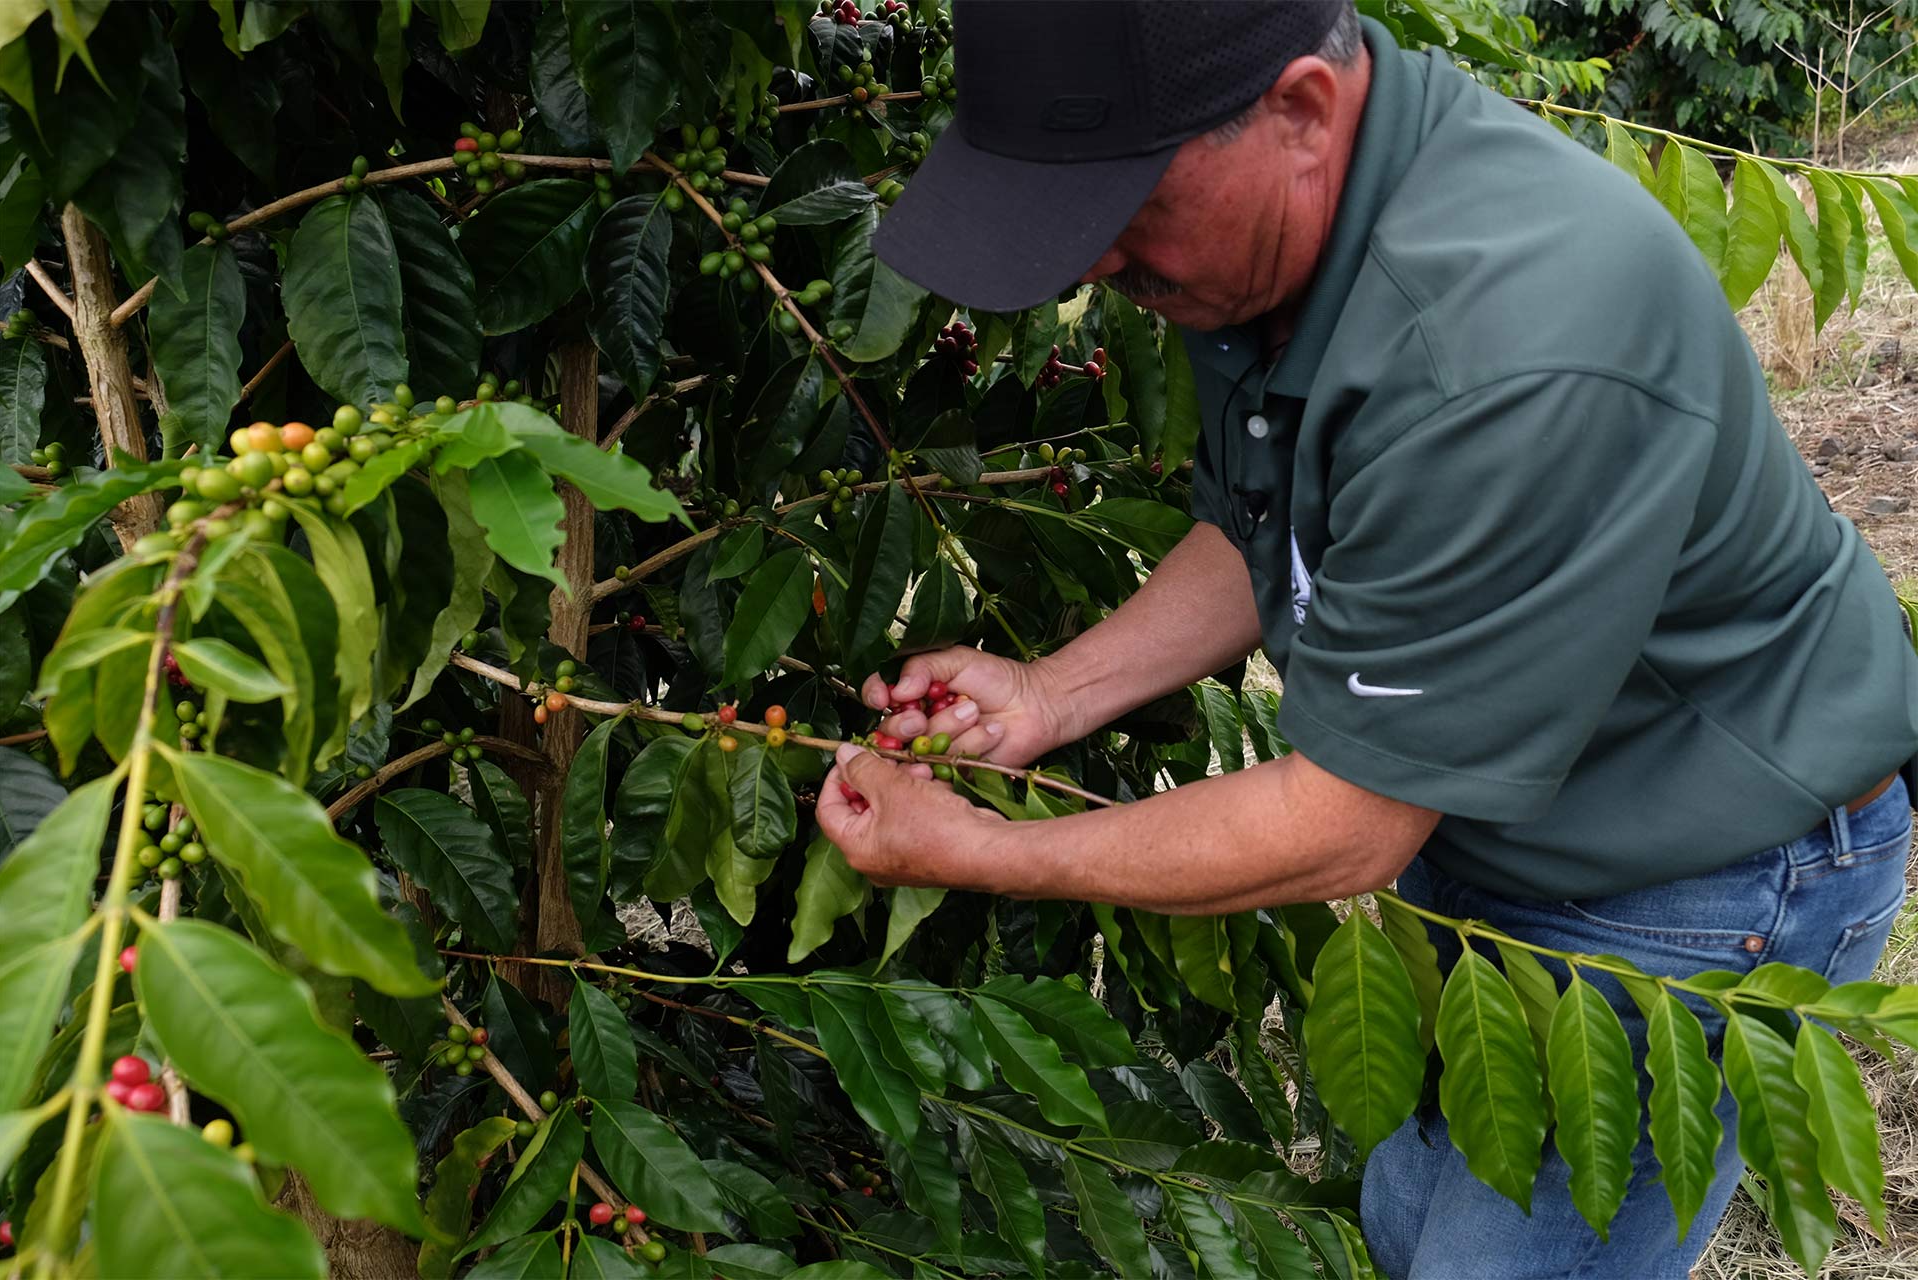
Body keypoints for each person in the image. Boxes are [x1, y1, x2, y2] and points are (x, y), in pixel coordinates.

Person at [815, 2, 1918, 1275]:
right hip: (1501, 811)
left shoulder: (1509, 342)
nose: (1093, 263)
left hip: (1700, 869)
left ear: (1302, 111)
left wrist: (982, 851)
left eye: (1125, 207)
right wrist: (1048, 695)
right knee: (1409, 1223)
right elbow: (1268, 524)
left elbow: (1349, 818)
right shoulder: (1283, 237)